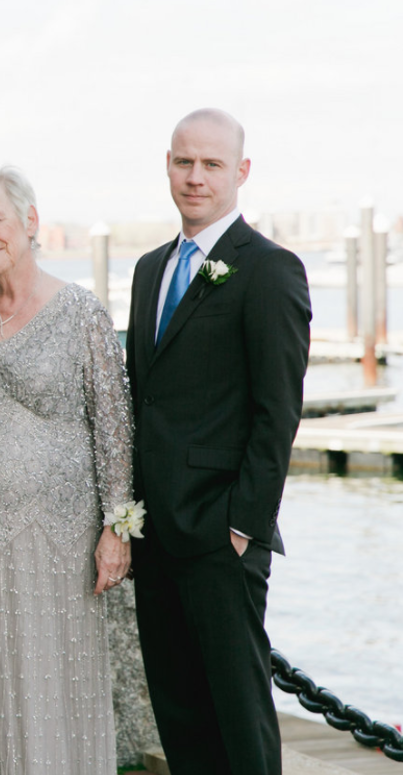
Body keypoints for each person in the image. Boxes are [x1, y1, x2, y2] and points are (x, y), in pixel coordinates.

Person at [0, 166, 134, 773]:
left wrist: (116, 528)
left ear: (30, 222)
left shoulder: (80, 313)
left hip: (57, 539)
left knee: (49, 681)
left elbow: (115, 427)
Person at [126, 108, 311, 775]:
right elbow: (142, 398)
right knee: (178, 713)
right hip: (156, 536)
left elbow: (277, 412)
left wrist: (241, 525)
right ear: (167, 165)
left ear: (241, 171)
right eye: (183, 161)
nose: (195, 176)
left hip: (219, 534)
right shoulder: (149, 271)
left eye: (210, 164)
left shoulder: (269, 270)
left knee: (238, 717)